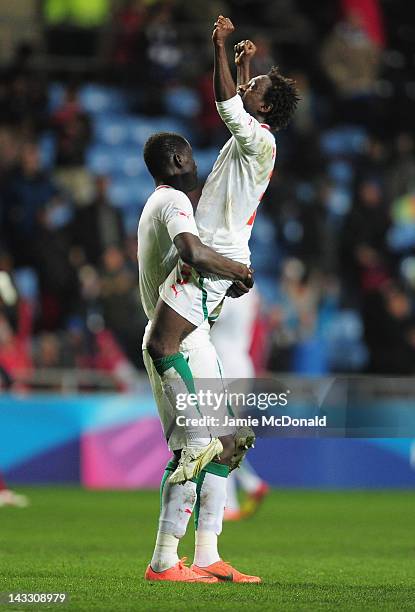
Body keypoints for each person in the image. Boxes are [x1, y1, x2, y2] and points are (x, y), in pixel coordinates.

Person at [142, 15, 298, 584]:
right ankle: (202, 553)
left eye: (252, 87)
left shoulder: (259, 139)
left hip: (211, 263)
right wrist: (245, 66)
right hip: (215, 266)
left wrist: (220, 45)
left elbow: (226, 107)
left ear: (264, 110)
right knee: (218, 438)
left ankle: (194, 549)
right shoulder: (254, 138)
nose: (244, 85)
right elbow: (237, 103)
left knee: (171, 358)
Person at [138, 131, 254, 583]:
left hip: (196, 338)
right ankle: (164, 561)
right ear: (177, 158)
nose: (195, 160)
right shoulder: (173, 202)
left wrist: (227, 279)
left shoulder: (165, 203)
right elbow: (192, 251)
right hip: (173, 343)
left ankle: (207, 553)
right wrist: (238, 271)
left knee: (228, 441)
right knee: (194, 448)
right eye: (189, 153)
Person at [210, 288, 269, 521]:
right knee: (224, 435)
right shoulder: (251, 291)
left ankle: (232, 502)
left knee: (220, 436)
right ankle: (250, 485)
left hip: (225, 365)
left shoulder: (228, 292)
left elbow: (210, 318)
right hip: (240, 362)